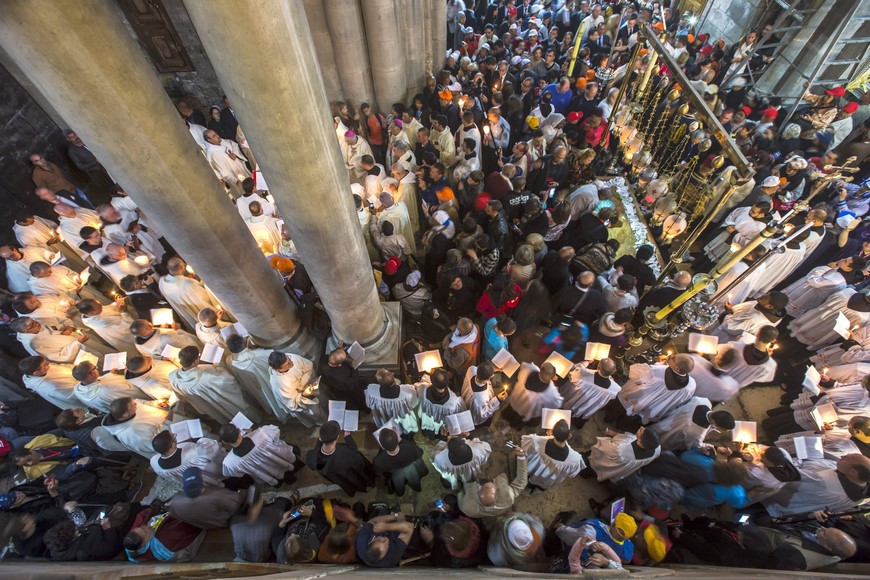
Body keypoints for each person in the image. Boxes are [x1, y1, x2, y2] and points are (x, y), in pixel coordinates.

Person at [169, 345, 252, 424]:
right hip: (219, 400)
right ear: (194, 362)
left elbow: (180, 396)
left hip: (205, 405)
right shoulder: (205, 378)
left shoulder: (172, 376)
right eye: (198, 356)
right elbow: (226, 381)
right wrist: (220, 367)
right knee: (230, 408)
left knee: (219, 413)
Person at [219, 422, 303, 487]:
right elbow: (276, 431)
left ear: (224, 442)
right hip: (280, 458)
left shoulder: (228, 463)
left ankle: (288, 480)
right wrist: (253, 432)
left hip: (267, 473)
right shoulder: (262, 433)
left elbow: (234, 473)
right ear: (238, 430)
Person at [306, 420, 376, 497]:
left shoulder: (311, 456)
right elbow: (357, 457)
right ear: (337, 437)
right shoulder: (345, 451)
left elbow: (317, 450)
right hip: (350, 474)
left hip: (337, 477)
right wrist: (347, 436)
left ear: (321, 438)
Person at [168, 466, 250, 530]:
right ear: (202, 481)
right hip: (227, 521)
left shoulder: (175, 502)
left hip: (208, 526)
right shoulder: (217, 495)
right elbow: (237, 503)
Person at [123, 504, 205, 563]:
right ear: (144, 544)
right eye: (144, 531)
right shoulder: (165, 540)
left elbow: (141, 517)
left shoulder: (132, 542)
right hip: (185, 544)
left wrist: (153, 509)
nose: (144, 527)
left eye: (140, 527)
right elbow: (189, 527)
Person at [158, 257, 223, 330]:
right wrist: (199, 282)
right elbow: (206, 297)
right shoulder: (188, 284)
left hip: (190, 315)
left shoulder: (161, 281)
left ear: (168, 267)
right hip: (204, 314)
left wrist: (189, 280)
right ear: (182, 267)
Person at [649, 398, 735, 452]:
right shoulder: (697, 433)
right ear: (715, 423)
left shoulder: (703, 401)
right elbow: (696, 447)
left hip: (662, 419)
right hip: (665, 436)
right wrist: (716, 448)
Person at [521, 419, 586, 490]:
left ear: (551, 431)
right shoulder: (575, 459)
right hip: (546, 480)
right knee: (540, 485)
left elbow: (524, 449)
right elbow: (572, 474)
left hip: (531, 471)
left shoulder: (535, 441)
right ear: (569, 435)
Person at [101, 397, 173, 458]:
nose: (136, 404)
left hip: (171, 422)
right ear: (125, 415)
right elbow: (158, 445)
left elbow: (140, 403)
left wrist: (155, 403)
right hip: (171, 440)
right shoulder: (132, 434)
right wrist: (167, 423)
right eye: (133, 405)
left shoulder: (129, 408)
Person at [149, 430, 226, 487]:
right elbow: (213, 446)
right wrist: (196, 439)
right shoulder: (193, 455)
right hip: (209, 472)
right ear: (172, 446)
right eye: (174, 437)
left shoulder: (154, 462)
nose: (176, 437)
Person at [267, 351, 324, 427]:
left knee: (322, 400)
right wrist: (303, 395)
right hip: (301, 399)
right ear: (278, 370)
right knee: (315, 412)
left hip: (308, 387)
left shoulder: (291, 358)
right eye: (286, 365)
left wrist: (302, 386)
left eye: (288, 359)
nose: (291, 363)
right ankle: (320, 422)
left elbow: (308, 366)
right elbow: (292, 403)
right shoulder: (279, 383)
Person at [589, 426, 661, 483]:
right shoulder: (657, 449)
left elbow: (605, 448)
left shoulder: (621, 450)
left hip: (609, 462)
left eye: (641, 430)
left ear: (639, 441)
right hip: (622, 469)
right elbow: (632, 437)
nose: (641, 427)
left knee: (593, 466)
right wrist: (616, 434)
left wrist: (609, 439)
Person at [560, 359, 620, 426]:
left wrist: (586, 362)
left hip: (575, 400)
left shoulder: (583, 373)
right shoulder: (616, 389)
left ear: (598, 367)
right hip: (588, 407)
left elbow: (571, 373)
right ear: (614, 371)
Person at [72, 360, 147, 413]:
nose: (96, 369)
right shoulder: (107, 390)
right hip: (140, 399)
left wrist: (110, 374)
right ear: (92, 373)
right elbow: (130, 391)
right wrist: (128, 374)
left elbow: (97, 381)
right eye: (95, 368)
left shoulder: (78, 389)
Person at [365, 368, 420, 433]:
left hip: (385, 418)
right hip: (402, 418)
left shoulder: (372, 391)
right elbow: (414, 403)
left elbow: (368, 404)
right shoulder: (407, 390)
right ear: (393, 376)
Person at [418, 368, 467, 437]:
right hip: (440, 425)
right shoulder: (453, 402)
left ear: (431, 381)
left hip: (427, 419)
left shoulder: (422, 390)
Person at [461, 361, 506, 427]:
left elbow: (482, 370)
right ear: (490, 377)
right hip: (475, 414)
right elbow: (482, 414)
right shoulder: (480, 400)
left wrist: (491, 370)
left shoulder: (472, 369)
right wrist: (498, 399)